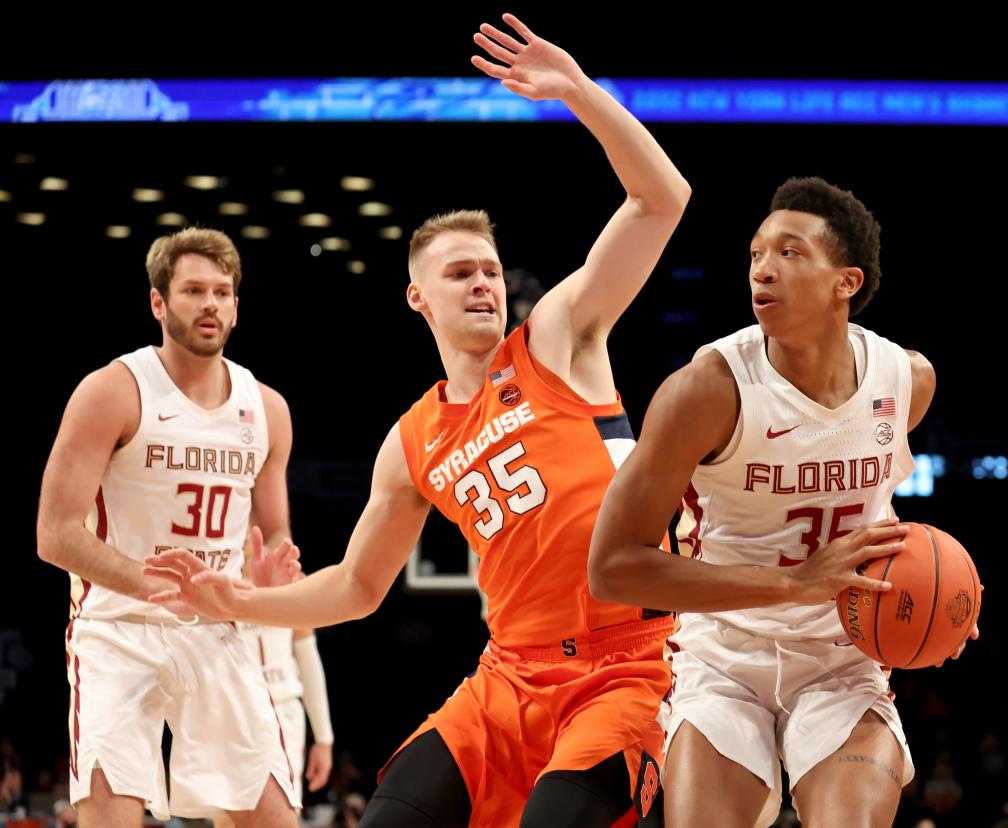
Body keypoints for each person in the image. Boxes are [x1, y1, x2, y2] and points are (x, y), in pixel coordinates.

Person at [143, 13, 690, 828]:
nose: (483, 284)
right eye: (460, 272)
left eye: (492, 271)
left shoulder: (557, 340)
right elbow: (357, 587)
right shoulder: (412, 439)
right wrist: (235, 601)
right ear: (417, 297)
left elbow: (661, 199)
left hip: (628, 671)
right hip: (507, 680)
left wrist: (578, 92)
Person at [589, 176, 980, 827]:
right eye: (755, 254)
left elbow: (884, 520)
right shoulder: (706, 392)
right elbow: (612, 568)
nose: (761, 270)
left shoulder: (907, 382)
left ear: (846, 282)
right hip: (722, 658)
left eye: (790, 253)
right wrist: (795, 583)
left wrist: (946, 598)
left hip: (842, 660)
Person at [35, 227, 302, 827]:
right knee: (112, 815)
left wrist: (269, 578)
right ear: (159, 303)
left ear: (236, 305)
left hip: (218, 628)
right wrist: (158, 586)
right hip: (117, 628)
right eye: (193, 291)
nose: (210, 304)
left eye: (222, 292)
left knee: (275, 817)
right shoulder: (112, 391)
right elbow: (54, 534)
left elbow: (275, 537)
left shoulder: (267, 409)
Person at [215, 602, 335, 828]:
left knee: (285, 811)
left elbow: (308, 660)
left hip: (283, 707)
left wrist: (324, 738)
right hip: (232, 708)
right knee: (227, 815)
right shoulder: (220, 573)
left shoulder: (292, 580)